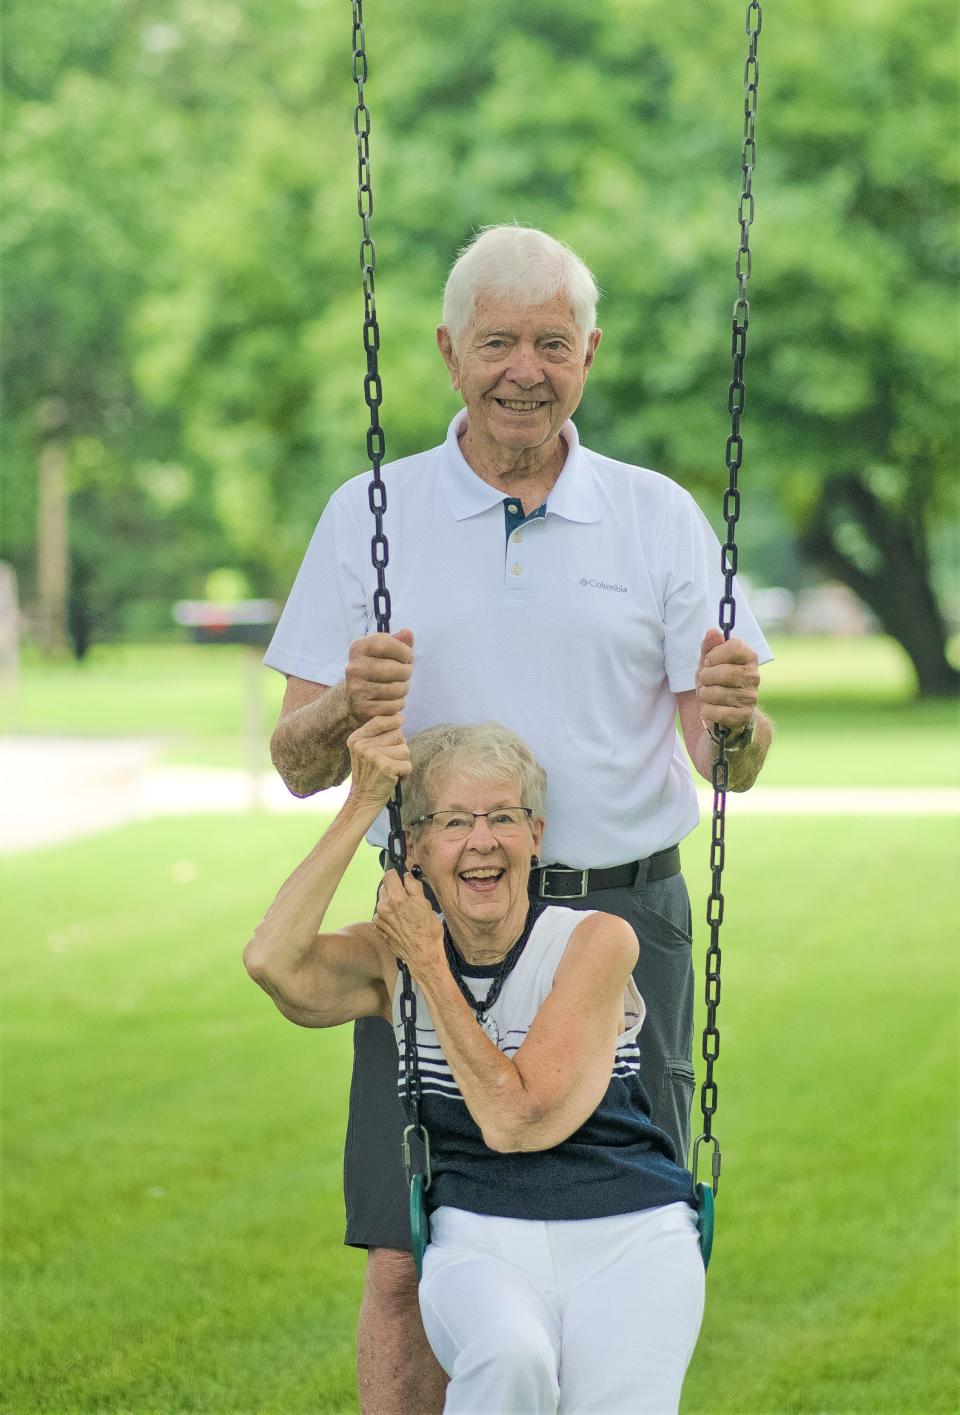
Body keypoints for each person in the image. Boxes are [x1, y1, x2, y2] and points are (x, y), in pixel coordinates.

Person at [264, 224, 772, 1413]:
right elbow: (294, 761)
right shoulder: (370, 513)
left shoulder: (656, 518)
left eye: (552, 342)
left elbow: (726, 758)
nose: (524, 368)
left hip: (622, 914)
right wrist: (349, 699)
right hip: (437, 922)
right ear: (449, 351)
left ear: (589, 353)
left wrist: (740, 724)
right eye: (498, 341)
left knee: (634, 1224)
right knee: (408, 1255)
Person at [245, 718, 706, 1415]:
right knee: (508, 1359)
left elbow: (517, 1118)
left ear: (536, 836)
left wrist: (428, 963)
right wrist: (361, 803)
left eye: (503, 817)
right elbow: (272, 962)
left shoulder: (593, 942)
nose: (482, 840)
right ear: (418, 849)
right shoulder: (391, 955)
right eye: (453, 820)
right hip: (482, 1235)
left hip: (630, 1232)